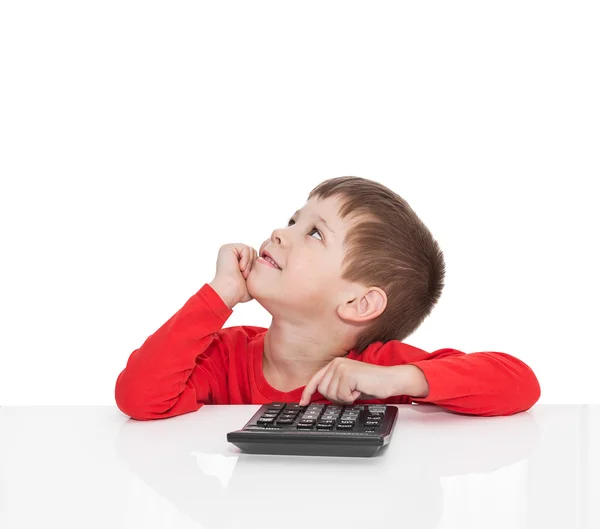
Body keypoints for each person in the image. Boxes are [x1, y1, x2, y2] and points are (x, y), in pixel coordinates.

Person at [114, 176, 540, 421]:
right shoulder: (224, 356)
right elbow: (139, 397)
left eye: (314, 233)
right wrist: (219, 295)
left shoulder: (378, 367)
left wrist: (399, 381)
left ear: (359, 303)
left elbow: (520, 382)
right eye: (292, 220)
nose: (280, 232)